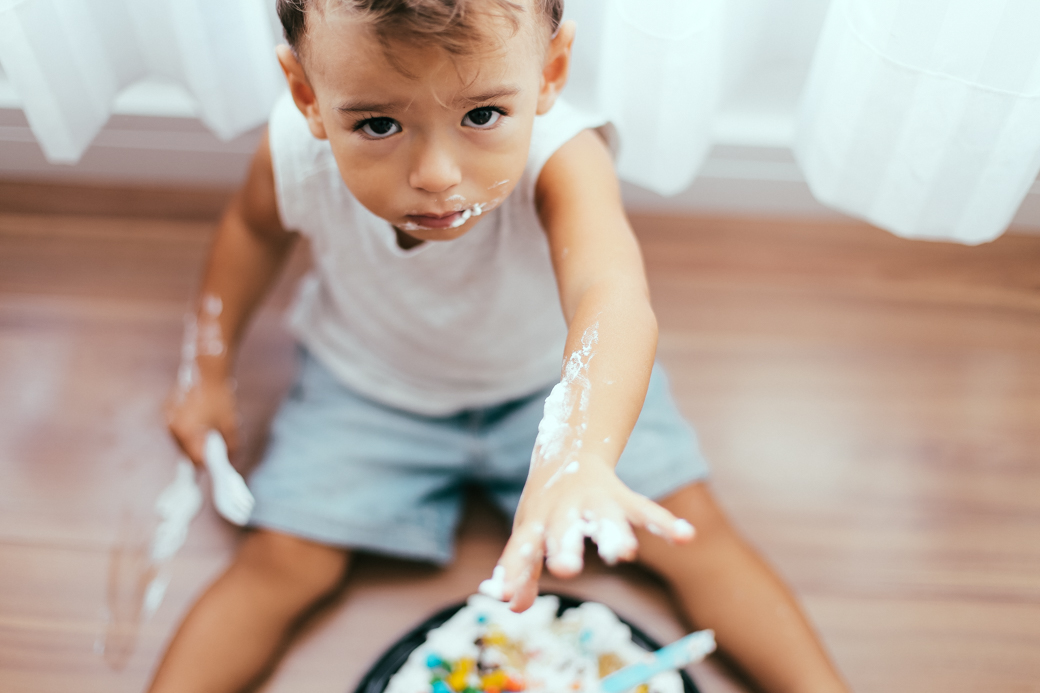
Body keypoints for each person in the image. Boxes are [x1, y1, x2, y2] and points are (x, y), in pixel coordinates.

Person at [150, 1, 850, 691]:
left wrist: (579, 446)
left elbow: (611, 296)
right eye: (379, 123)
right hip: (368, 389)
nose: (437, 174)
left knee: (695, 537)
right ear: (306, 94)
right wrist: (206, 368)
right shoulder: (293, 155)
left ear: (551, 72)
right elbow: (250, 231)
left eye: (481, 115)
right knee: (280, 565)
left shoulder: (565, 156)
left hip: (557, 390)